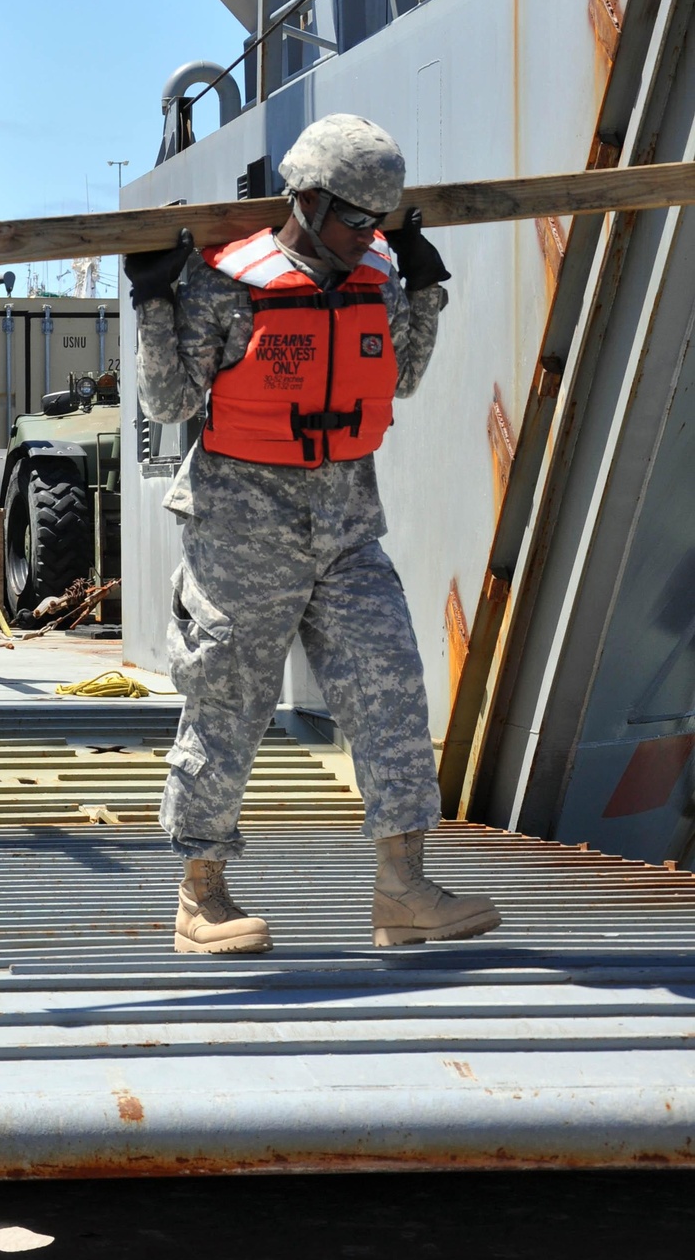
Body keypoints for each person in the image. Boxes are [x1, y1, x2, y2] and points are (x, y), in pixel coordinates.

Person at [126, 113, 500, 953]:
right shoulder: (226, 281)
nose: (368, 235)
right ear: (307, 198)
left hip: (346, 522)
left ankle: (402, 889)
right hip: (239, 528)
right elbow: (170, 403)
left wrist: (426, 291)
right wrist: (154, 300)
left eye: (378, 222)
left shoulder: (375, 276)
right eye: (355, 219)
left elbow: (400, 373)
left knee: (392, 684)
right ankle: (200, 895)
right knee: (227, 702)